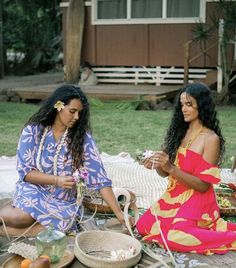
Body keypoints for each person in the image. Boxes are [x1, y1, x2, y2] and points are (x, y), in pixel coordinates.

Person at [0, 84, 124, 235]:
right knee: (23, 217)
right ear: (58, 106)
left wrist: (119, 214)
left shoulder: (83, 140)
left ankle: (5, 231)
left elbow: (101, 180)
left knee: (59, 228)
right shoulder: (33, 131)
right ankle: (15, 220)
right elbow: (25, 173)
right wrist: (57, 180)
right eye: (72, 111)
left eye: (80, 113)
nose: (77, 117)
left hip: (63, 199)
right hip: (34, 189)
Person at [136, 82, 236, 255]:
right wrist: (158, 164)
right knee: (143, 226)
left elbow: (203, 185)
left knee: (176, 236)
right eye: (182, 104)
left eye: (189, 104)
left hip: (199, 201)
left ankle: (229, 236)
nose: (184, 109)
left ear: (202, 105)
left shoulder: (210, 139)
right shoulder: (178, 132)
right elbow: (164, 172)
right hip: (173, 197)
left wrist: (171, 168)